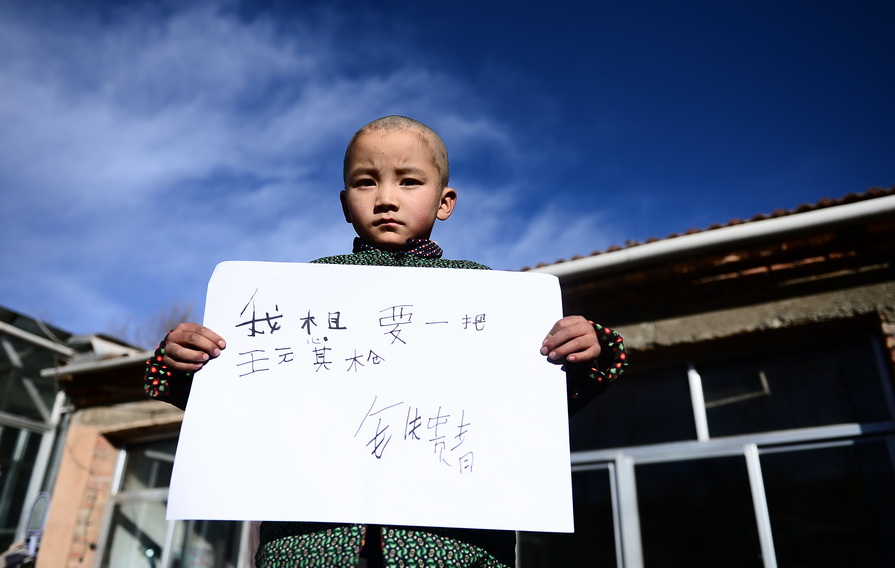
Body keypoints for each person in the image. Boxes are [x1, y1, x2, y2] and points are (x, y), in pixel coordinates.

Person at [145, 115, 627, 567]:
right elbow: (239, 410)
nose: (386, 198)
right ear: (343, 202)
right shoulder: (295, 295)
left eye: (409, 180)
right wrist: (182, 362)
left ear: (445, 201)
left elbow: (533, 411)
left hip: (456, 547)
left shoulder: (487, 297)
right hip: (308, 546)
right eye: (366, 181)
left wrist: (589, 352)